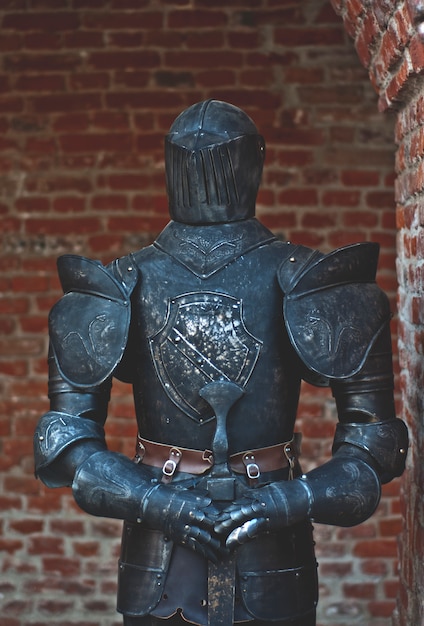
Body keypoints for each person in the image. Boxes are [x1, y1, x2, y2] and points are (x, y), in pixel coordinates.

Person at [34, 100, 408, 626]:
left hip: (271, 545)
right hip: (160, 545)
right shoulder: (121, 285)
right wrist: (158, 504)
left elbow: (376, 452)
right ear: (255, 162)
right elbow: (64, 446)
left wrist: (285, 503)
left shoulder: (304, 280)